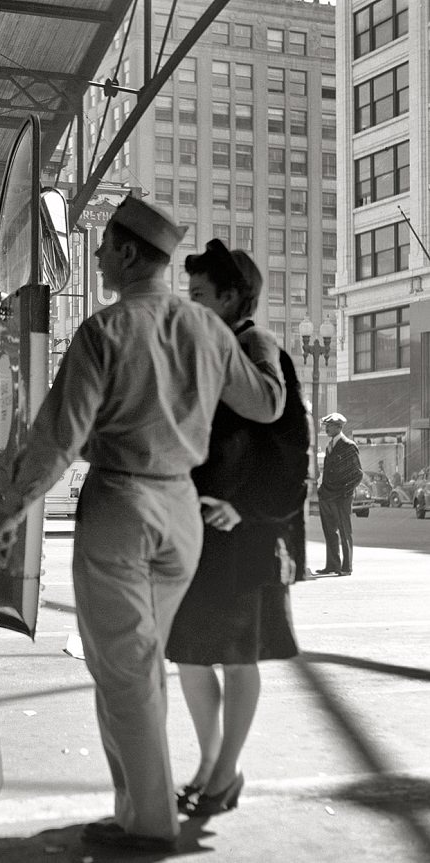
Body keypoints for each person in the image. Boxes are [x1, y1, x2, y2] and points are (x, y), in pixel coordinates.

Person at [0, 195, 285, 854]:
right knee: (135, 672)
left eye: (101, 246)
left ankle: (150, 824)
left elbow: (58, 437)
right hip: (181, 514)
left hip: (121, 508)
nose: (95, 257)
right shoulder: (210, 330)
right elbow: (266, 404)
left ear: (124, 253)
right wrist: (254, 337)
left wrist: (10, 512)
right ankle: (133, 809)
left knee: (126, 673)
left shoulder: (105, 331)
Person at [165, 240, 309, 818]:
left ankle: (222, 772)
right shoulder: (217, 346)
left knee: (234, 654)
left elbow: (289, 442)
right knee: (196, 653)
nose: (191, 304)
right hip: (210, 529)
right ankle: (213, 766)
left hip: (245, 533)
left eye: (199, 295)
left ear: (231, 297)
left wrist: (243, 506)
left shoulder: (254, 344)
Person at [315, 412, 363, 576]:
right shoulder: (330, 445)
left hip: (341, 497)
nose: (326, 428)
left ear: (339, 427)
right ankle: (332, 565)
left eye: (329, 425)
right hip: (327, 495)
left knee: (344, 531)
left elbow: (358, 474)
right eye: (326, 425)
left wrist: (345, 493)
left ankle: (346, 567)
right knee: (330, 532)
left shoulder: (348, 445)